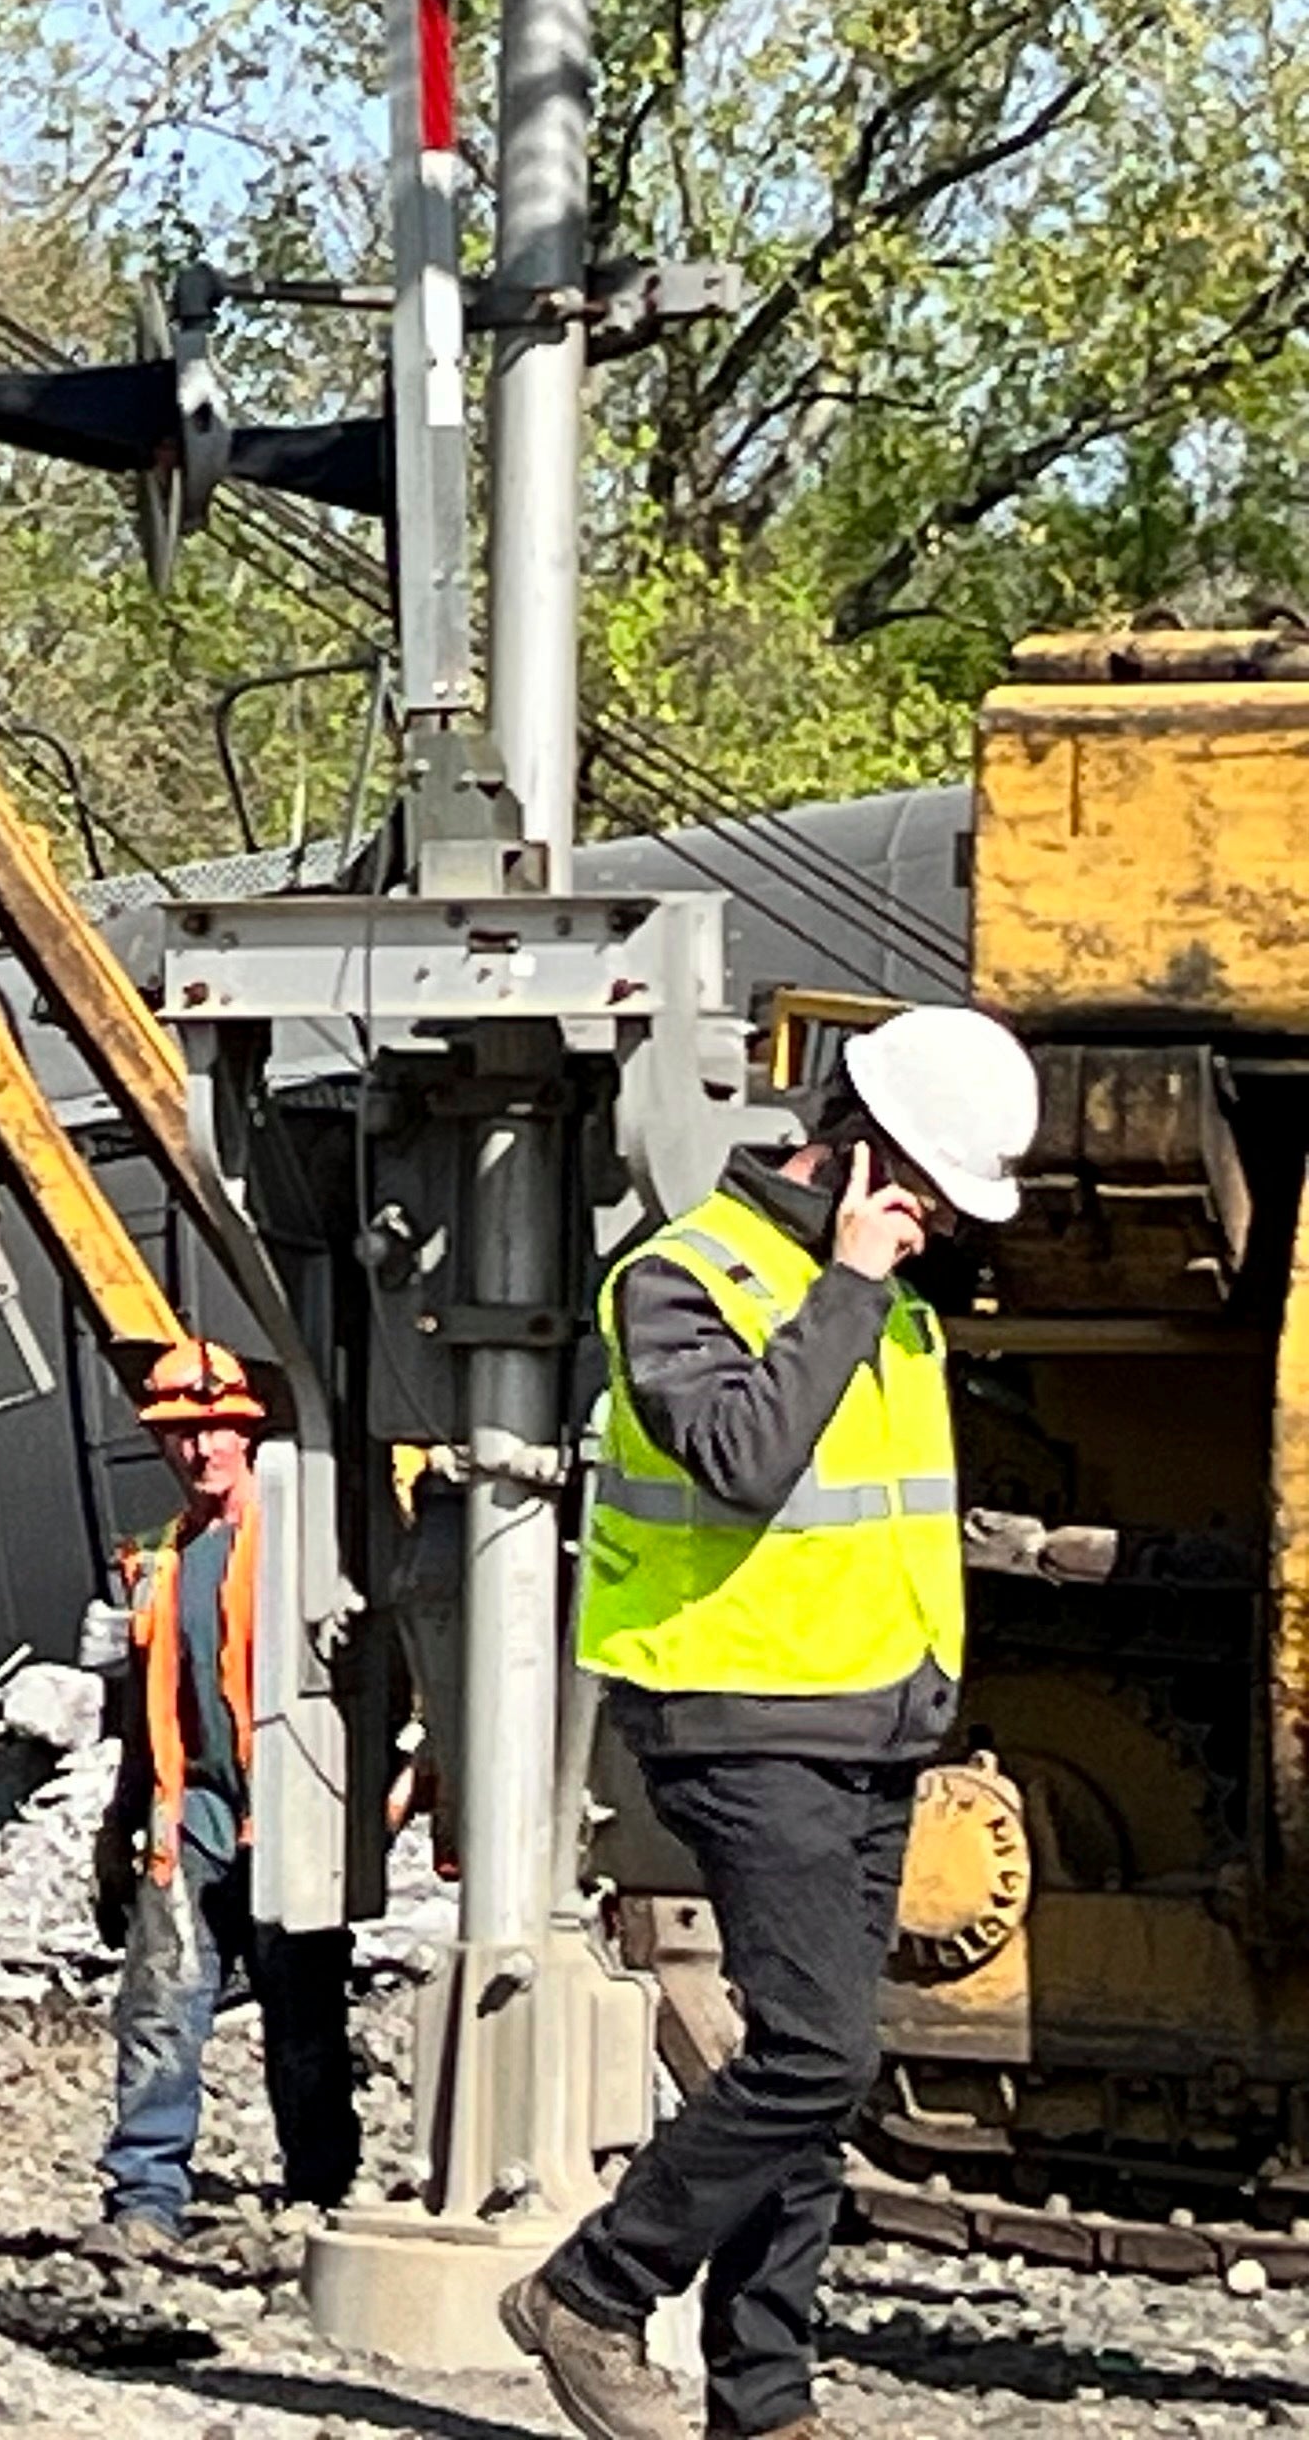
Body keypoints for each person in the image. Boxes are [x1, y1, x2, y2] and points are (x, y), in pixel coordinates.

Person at [504, 1003, 1038, 2440]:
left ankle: (764, 2401)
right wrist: (849, 1282)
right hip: (742, 1714)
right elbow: (739, 1459)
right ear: (854, 1154)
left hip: (869, 1720)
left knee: (808, 2073)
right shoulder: (682, 1277)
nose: (930, 1226)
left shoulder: (895, 1306)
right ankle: (595, 2292)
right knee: (817, 2056)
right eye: (919, 1192)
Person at [79, 1336, 360, 2263]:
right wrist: (120, 1822)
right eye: (182, 1435)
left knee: (304, 2016)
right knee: (161, 2004)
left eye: (216, 1431)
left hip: (288, 1809)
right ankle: (146, 2195)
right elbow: (145, 1702)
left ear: (249, 1433)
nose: (200, 1451)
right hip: (187, 1813)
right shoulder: (160, 1559)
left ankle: (320, 2188)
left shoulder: (295, 1547)